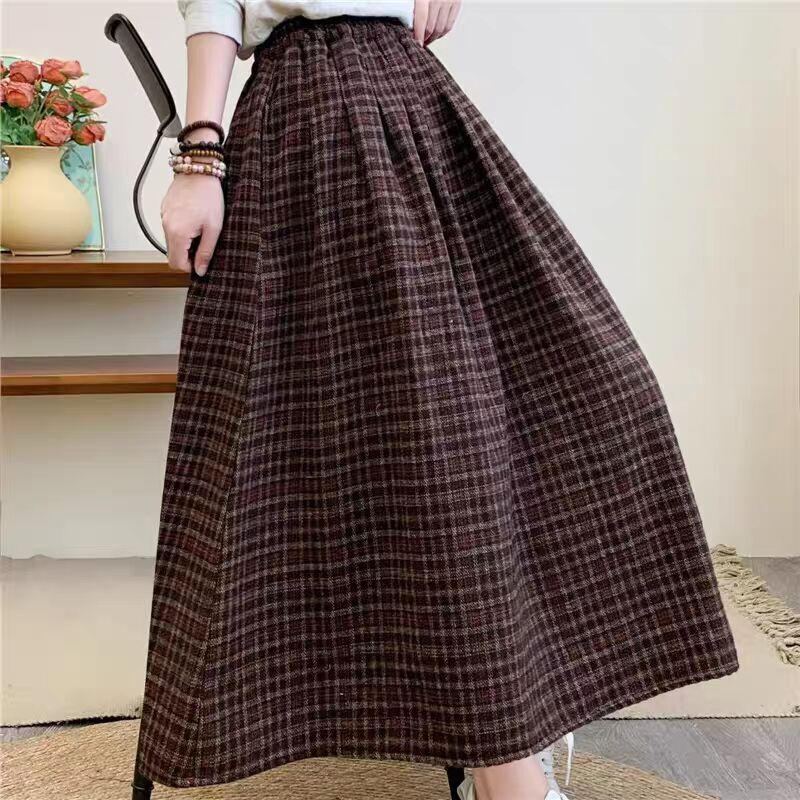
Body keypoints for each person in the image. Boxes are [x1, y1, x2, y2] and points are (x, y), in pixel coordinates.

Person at [133, 3, 740, 799]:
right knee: (429, 443)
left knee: (573, 392)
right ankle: (505, 769)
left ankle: (508, 725)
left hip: (411, 98)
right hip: (315, 115)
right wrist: (200, 155)